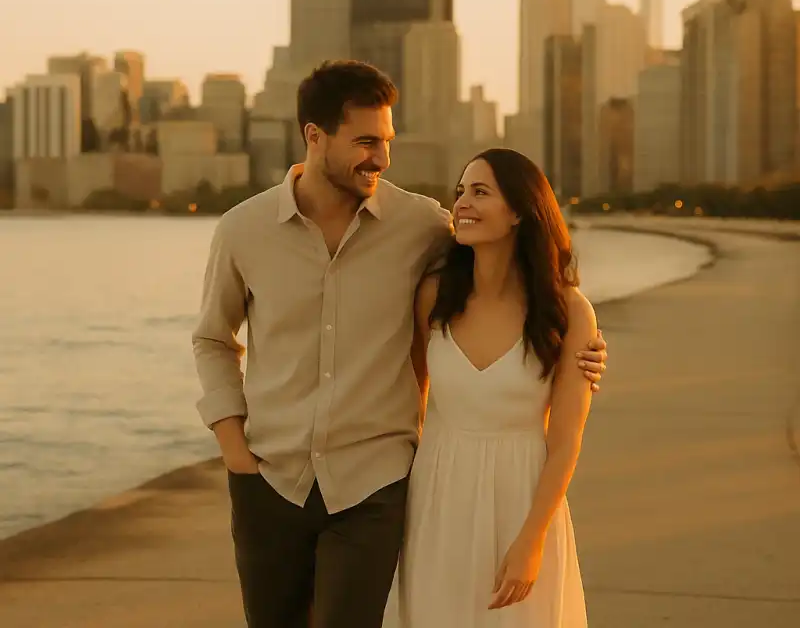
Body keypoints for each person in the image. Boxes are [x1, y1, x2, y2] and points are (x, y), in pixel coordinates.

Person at [191, 61, 608, 628]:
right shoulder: (243, 230)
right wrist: (232, 441)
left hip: (373, 485)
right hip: (270, 477)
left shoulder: (422, 226)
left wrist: (583, 342)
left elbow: (510, 262)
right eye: (365, 142)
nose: (381, 159)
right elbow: (213, 337)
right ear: (315, 137)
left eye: (386, 142)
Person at [384, 148, 594, 628]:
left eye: (481, 192)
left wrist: (532, 541)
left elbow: (565, 442)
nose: (462, 204)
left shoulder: (567, 311)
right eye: (460, 192)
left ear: (520, 210)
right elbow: (413, 398)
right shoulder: (434, 295)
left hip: (522, 499)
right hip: (436, 500)